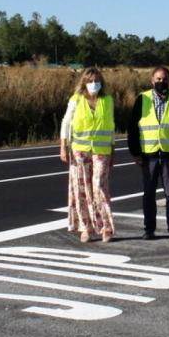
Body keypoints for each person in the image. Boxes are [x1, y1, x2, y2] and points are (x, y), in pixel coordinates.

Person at [59, 67, 115, 243]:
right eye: (90, 81)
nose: (93, 84)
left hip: (101, 151)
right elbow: (66, 124)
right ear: (84, 82)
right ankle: (86, 228)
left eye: (97, 81)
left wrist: (113, 150)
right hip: (80, 151)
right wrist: (63, 147)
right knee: (82, 189)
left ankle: (106, 227)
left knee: (99, 187)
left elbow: (111, 126)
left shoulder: (107, 100)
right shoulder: (76, 100)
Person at [127, 66, 169, 241]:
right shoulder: (142, 99)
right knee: (149, 194)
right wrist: (135, 152)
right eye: (158, 79)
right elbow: (132, 128)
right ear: (152, 80)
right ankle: (149, 229)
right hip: (148, 155)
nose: (161, 82)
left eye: (164, 78)